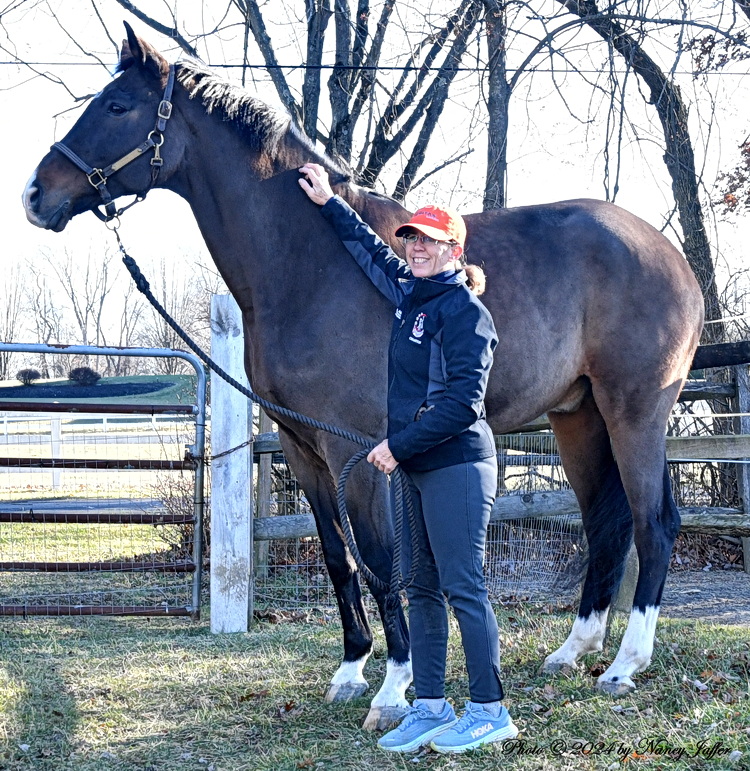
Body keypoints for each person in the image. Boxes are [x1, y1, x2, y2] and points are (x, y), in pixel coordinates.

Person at [298, 163, 518, 755]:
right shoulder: (412, 294)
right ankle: (428, 705)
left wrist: (397, 445)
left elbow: (463, 404)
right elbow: (371, 252)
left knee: (463, 586)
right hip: (417, 467)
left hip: (457, 466)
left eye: (430, 240)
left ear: (453, 250)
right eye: (413, 238)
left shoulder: (465, 314)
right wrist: (329, 204)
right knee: (417, 586)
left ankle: (489, 709)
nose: (417, 247)